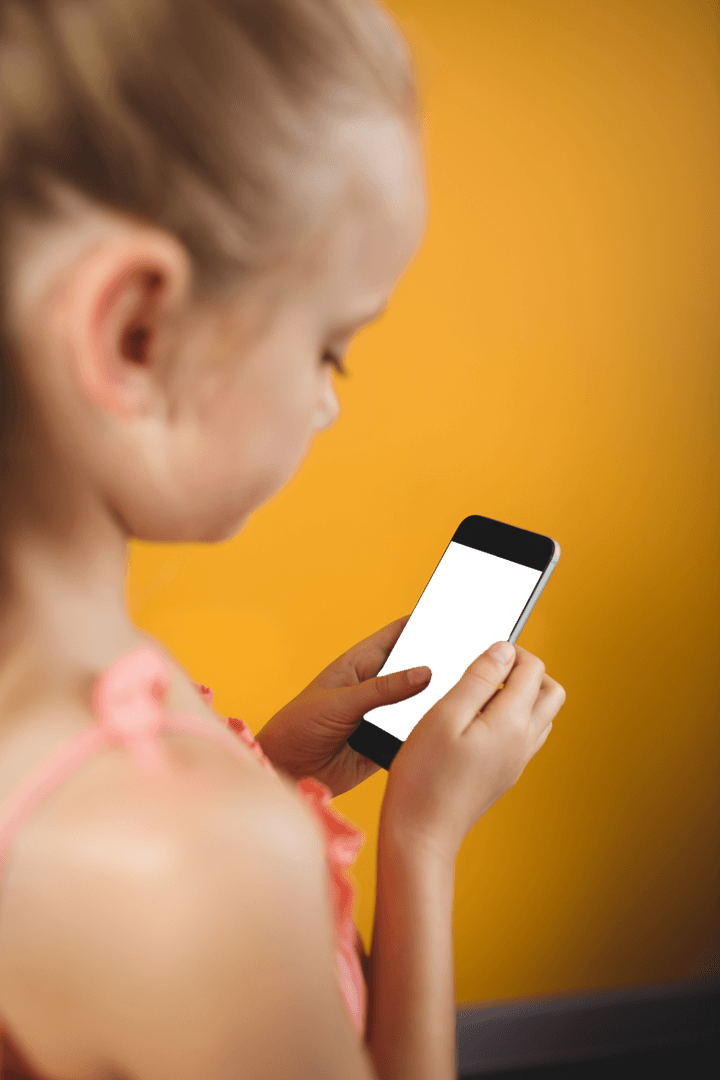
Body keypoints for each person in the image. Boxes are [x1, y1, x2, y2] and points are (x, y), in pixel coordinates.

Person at [0, 1, 566, 1078]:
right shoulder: (186, 862)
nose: (327, 405)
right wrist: (421, 840)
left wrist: (272, 767)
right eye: (330, 348)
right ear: (134, 333)